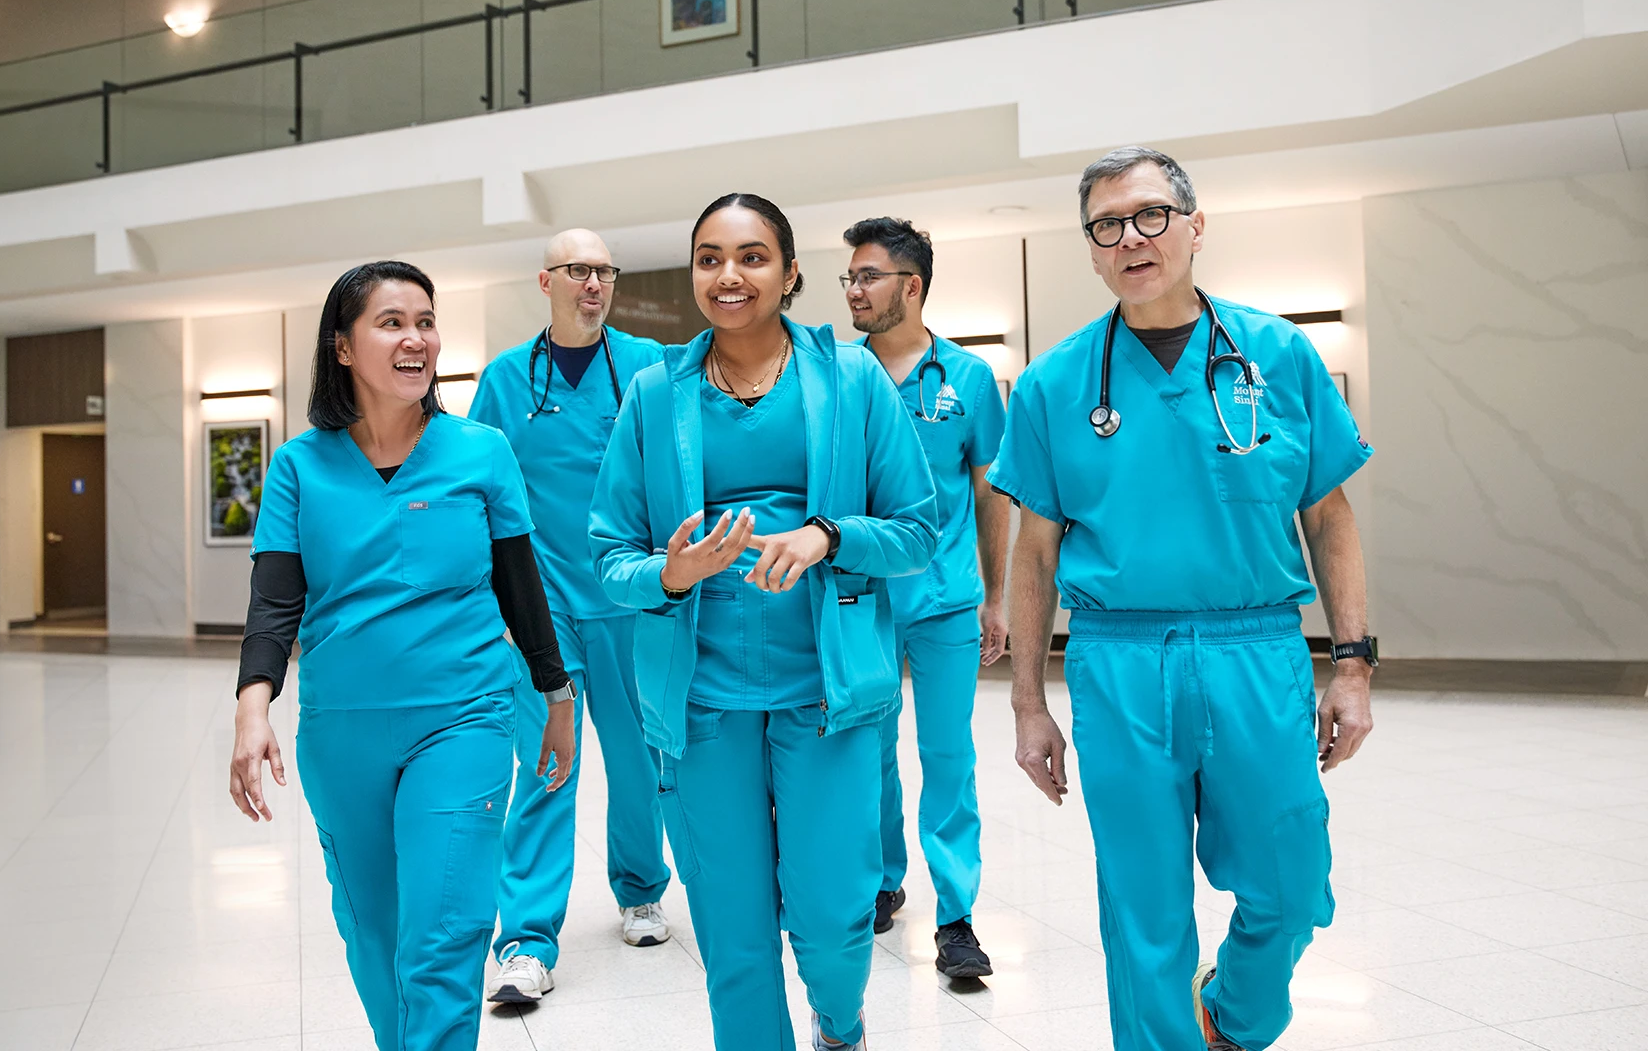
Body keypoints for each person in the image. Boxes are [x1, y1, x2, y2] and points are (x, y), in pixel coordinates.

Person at [991, 147, 1376, 1051]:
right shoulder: (1055, 385)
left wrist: (1352, 666)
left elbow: (1328, 517)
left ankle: (1234, 1013)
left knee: (1291, 886)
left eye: (1152, 215)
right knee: (1142, 909)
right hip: (1120, 661)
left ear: (1195, 227)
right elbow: (1034, 554)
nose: (1132, 238)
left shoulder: (1277, 354)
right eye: (1107, 225)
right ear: (1090, 250)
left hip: (1257, 651)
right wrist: (1027, 705)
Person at [589, 193, 937, 1051]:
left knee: (831, 920)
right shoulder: (652, 395)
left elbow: (918, 530)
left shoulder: (851, 379)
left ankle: (840, 1024)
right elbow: (609, 556)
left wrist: (827, 535)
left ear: (789, 274)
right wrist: (670, 572)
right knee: (733, 932)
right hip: (701, 700)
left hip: (829, 693)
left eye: (751, 257)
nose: (728, 275)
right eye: (709, 258)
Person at [228, 261, 579, 1051]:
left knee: (444, 940)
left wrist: (556, 700)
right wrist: (254, 709)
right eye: (392, 322)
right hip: (342, 731)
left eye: (425, 320)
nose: (416, 338)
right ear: (343, 348)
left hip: (465, 719)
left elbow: (523, 590)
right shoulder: (298, 467)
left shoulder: (480, 453)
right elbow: (275, 602)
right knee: (375, 937)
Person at [468, 229, 674, 1005]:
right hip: (539, 611)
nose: (595, 284)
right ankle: (526, 939)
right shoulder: (504, 380)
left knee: (637, 761)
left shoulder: (646, 369)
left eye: (605, 272)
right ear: (546, 281)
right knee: (547, 768)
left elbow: (672, 478)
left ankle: (641, 889)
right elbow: (482, 494)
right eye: (580, 271)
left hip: (627, 601)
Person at [841, 217, 1009, 978]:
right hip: (863, 601)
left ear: (911, 286)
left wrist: (998, 597)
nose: (853, 289)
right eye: (850, 277)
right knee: (868, 752)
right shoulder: (840, 373)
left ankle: (956, 915)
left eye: (868, 276)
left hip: (945, 601)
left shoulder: (968, 380)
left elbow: (990, 494)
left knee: (948, 757)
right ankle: (881, 882)